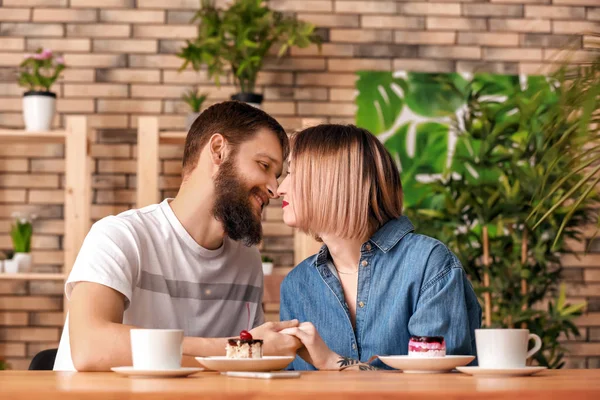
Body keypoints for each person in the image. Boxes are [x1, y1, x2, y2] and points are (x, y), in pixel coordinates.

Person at [54, 101, 300, 371]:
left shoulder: (246, 260)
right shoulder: (121, 237)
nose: (274, 189)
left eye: (277, 176)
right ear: (218, 151)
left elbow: (239, 370)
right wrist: (241, 348)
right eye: (264, 165)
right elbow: (91, 348)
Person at [277, 124, 481, 371]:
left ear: (333, 180)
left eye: (293, 173)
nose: (280, 189)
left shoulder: (427, 264)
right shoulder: (297, 284)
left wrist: (335, 364)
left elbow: (437, 386)